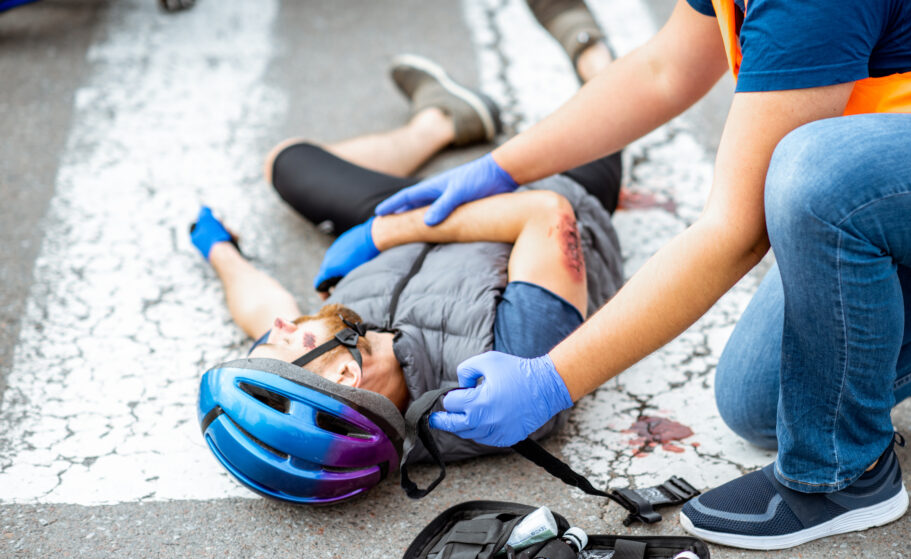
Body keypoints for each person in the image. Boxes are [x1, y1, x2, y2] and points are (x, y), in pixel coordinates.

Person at [376, 0, 911, 549]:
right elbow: (664, 70)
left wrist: (553, 379)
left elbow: (733, 232)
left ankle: (841, 477)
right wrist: (502, 167)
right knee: (763, 399)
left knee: (818, 179)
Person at [193, 23, 627, 503]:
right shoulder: (505, 366)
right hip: (547, 193)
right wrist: (381, 232)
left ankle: (443, 120)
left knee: (286, 161)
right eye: (286, 340)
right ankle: (589, 48)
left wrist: (218, 249)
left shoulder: (327, 360)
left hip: (420, 223)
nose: (282, 325)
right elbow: (545, 213)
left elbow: (262, 307)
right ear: (344, 379)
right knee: (614, 104)